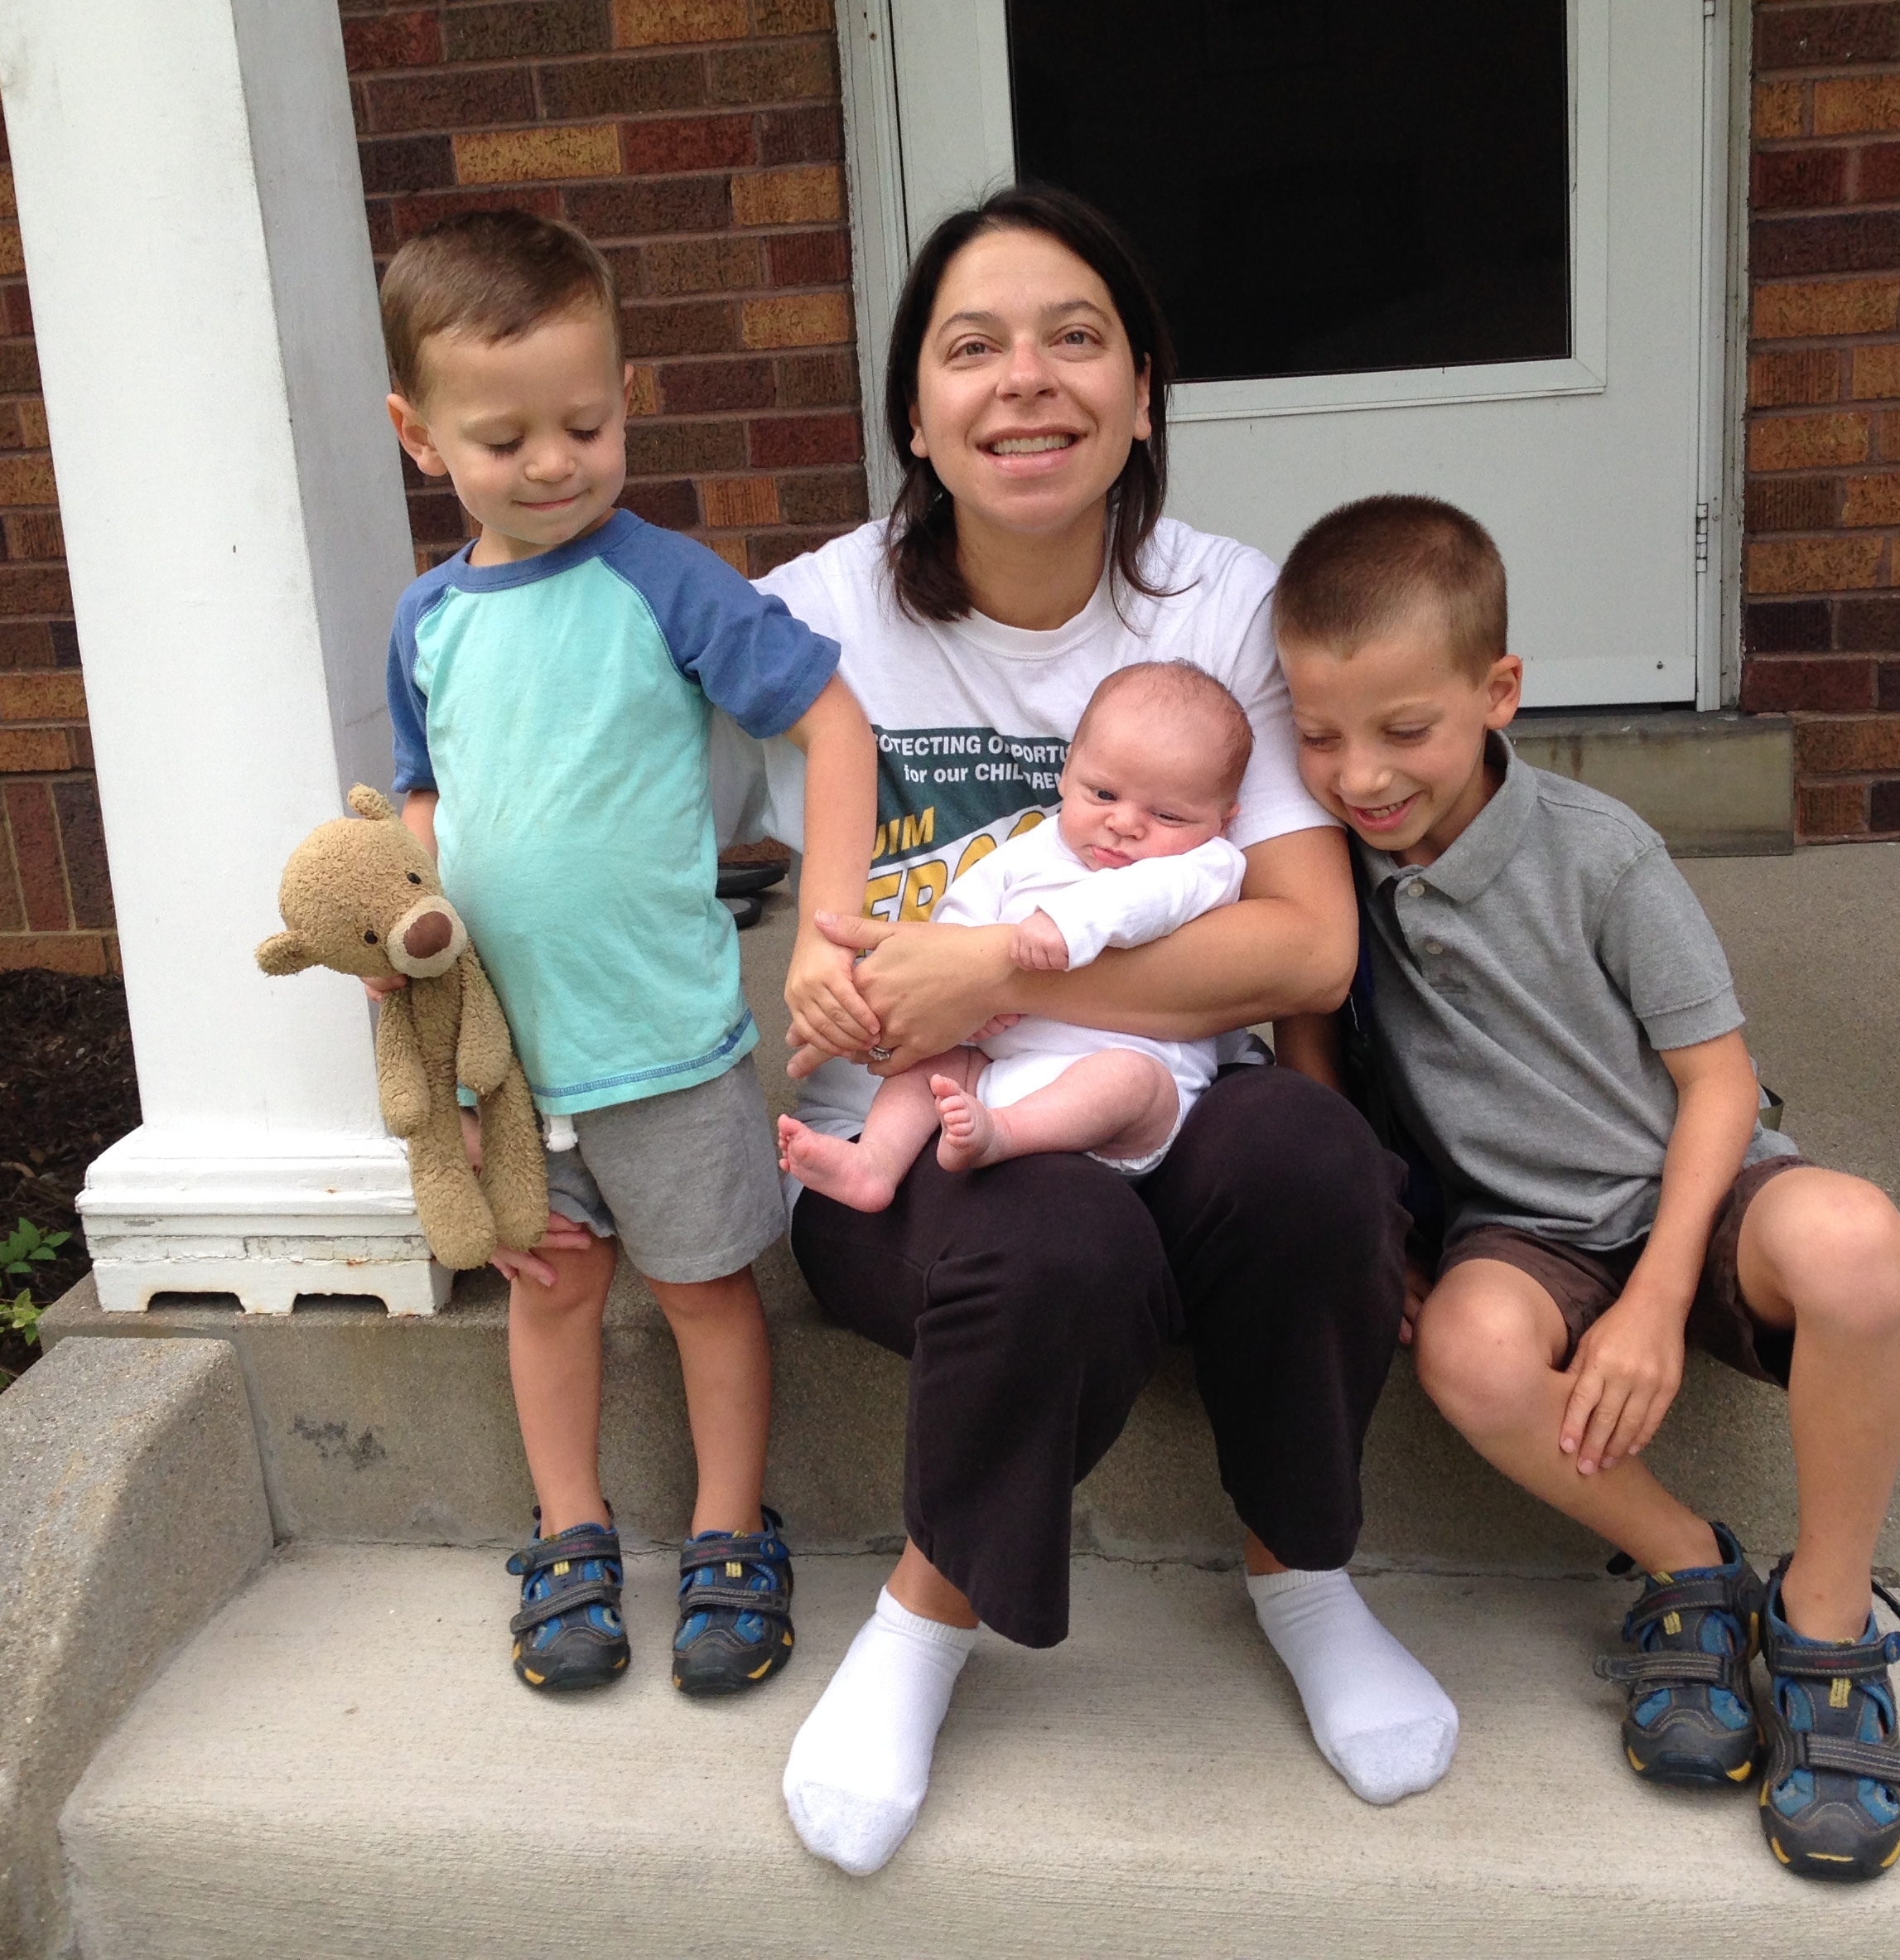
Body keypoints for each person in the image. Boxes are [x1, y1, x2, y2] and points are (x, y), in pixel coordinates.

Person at [736, 185, 1454, 1879]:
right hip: (912, 1156)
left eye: (1077, 339)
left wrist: (997, 975)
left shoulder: (1221, 606)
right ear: (913, 410)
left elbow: (1308, 946)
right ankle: (924, 1620)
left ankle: (1305, 1572)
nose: (1026, 382)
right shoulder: (815, 615)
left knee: (1306, 1153)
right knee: (1052, 1231)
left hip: (1167, 1104)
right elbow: (600, 796)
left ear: (1144, 390)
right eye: (970, 347)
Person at [1271, 493, 1900, 1881]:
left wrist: (1654, 1298)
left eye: (1404, 729)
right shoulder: (1324, 865)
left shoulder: (1599, 852)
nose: (1358, 774)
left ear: (1496, 691)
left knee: (1855, 1242)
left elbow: (1714, 1079)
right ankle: (1686, 1564)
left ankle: (1819, 1623)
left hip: (1689, 1192)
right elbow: (1304, 1028)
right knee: (1465, 1346)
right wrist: (1374, 1220)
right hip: (1516, 1234)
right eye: (1318, 734)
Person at [374, 210, 879, 1699]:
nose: (552, 462)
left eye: (584, 423)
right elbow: (422, 807)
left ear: (625, 396)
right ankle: (571, 1525)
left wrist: (827, 922)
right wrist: (417, 984)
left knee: (710, 1288)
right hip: (514, 1058)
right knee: (550, 1286)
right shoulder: (424, 622)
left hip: (664, 1040)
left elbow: (826, 717)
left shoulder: (664, 580)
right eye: (502, 434)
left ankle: (729, 1526)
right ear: (417, 436)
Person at [777, 660, 1251, 1205]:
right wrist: (964, 990)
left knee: (1128, 1079)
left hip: (1130, 1104)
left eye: (1166, 815)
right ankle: (875, 1162)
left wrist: (1069, 925)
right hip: (999, 1069)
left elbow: (1150, 900)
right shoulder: (1035, 847)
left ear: (1223, 818)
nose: (1124, 823)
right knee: (930, 1067)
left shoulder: (1209, 864)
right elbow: (965, 911)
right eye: (1102, 794)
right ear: (1067, 772)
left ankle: (1003, 1137)